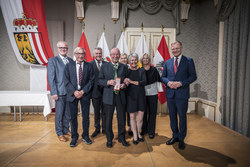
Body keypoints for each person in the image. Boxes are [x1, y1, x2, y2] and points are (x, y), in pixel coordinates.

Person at [161, 41, 197, 150]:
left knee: (182, 117)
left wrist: (180, 83)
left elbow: (193, 76)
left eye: (177, 48)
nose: (175, 50)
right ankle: (175, 136)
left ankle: (181, 139)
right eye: (173, 48)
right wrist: (168, 83)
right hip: (170, 94)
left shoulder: (189, 61)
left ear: (181, 48)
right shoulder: (167, 62)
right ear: (171, 49)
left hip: (182, 94)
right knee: (172, 117)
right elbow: (163, 77)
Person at [98, 48, 130, 148]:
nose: (115, 56)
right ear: (110, 55)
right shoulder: (104, 66)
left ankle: (121, 137)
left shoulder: (124, 67)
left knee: (121, 118)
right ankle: (109, 139)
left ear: (119, 55)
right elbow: (99, 80)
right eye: (113, 54)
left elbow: (127, 80)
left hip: (121, 96)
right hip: (108, 97)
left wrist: (124, 85)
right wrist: (108, 82)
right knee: (108, 119)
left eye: (117, 54)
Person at [64, 47, 95, 147]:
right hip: (72, 95)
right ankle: (74, 137)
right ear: (75, 54)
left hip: (85, 94)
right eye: (78, 54)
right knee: (73, 117)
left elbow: (91, 80)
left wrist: (83, 91)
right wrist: (74, 91)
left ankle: (85, 136)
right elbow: (66, 81)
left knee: (85, 117)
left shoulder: (89, 66)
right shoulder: (68, 66)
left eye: (82, 54)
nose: (80, 56)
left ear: (84, 55)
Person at [47, 41, 71, 142]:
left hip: (70, 92)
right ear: (58, 49)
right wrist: (54, 92)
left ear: (67, 49)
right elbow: (50, 77)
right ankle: (59, 133)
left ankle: (66, 129)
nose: (63, 49)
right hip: (59, 92)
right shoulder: (53, 60)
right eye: (61, 47)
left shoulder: (71, 60)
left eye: (65, 47)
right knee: (59, 113)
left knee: (68, 113)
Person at [124, 53, 147, 145]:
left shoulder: (142, 70)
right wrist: (125, 81)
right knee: (132, 117)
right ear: (129, 62)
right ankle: (135, 135)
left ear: (137, 61)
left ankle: (138, 133)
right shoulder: (127, 71)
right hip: (130, 96)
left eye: (135, 60)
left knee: (140, 118)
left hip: (141, 96)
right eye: (132, 60)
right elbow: (124, 82)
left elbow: (144, 82)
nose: (133, 61)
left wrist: (131, 81)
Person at [141, 53, 161, 139]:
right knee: (143, 113)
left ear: (149, 60)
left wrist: (159, 92)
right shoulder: (140, 70)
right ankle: (144, 130)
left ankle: (151, 131)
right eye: (144, 58)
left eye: (147, 58)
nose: (145, 60)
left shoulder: (154, 70)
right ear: (142, 60)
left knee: (152, 113)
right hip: (142, 94)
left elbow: (158, 81)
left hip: (153, 94)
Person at [90, 47, 107, 137]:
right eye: (96, 53)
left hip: (105, 92)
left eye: (100, 53)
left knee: (105, 112)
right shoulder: (90, 64)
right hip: (95, 93)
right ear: (94, 54)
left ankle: (104, 129)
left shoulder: (106, 64)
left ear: (102, 54)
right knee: (96, 112)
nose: (98, 55)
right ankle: (97, 128)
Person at [119, 53, 133, 136]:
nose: (124, 60)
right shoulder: (118, 67)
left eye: (125, 58)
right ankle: (122, 128)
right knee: (122, 112)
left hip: (130, 92)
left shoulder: (130, 68)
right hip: (121, 92)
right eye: (122, 58)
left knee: (130, 111)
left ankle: (130, 127)